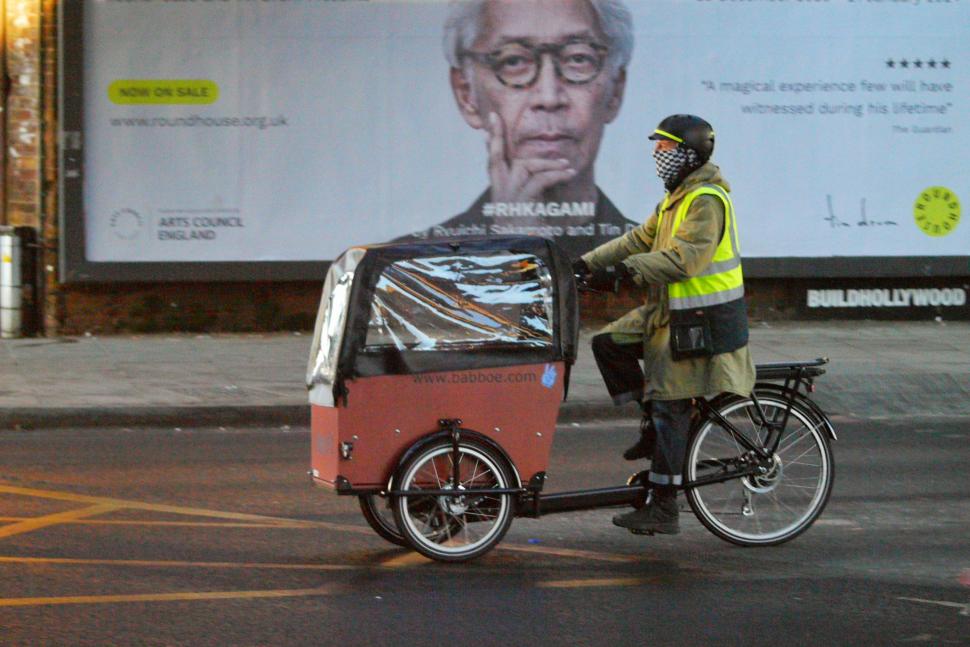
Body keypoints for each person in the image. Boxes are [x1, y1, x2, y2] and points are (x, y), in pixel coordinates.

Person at [573, 114, 756, 535]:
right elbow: (639, 239)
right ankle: (650, 425)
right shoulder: (678, 197)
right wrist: (587, 263)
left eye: (665, 147)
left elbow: (685, 260)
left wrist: (623, 273)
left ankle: (665, 506)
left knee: (672, 406)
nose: (657, 154)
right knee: (608, 342)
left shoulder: (707, 201)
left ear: (688, 154)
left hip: (700, 321)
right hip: (669, 313)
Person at [397, 0, 639, 258]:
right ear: (466, 93)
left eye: (578, 58)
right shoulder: (407, 268)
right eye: (513, 61)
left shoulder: (668, 264)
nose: (548, 97)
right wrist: (509, 250)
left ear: (615, 91)